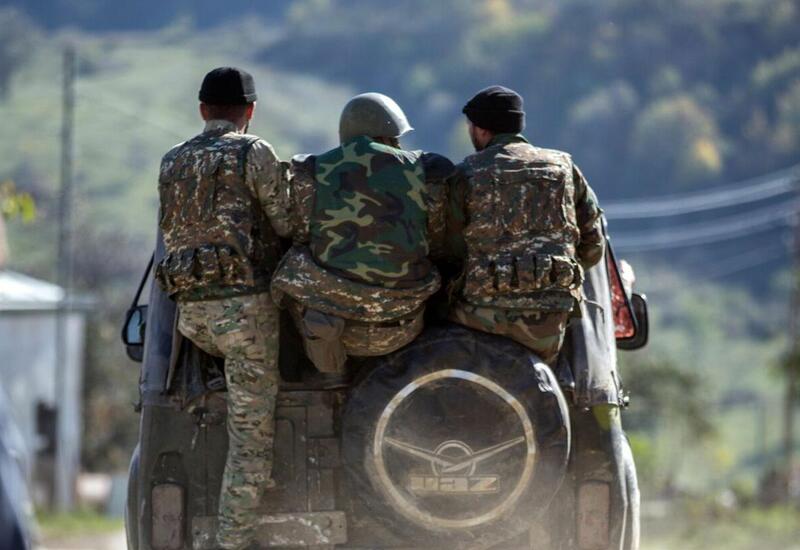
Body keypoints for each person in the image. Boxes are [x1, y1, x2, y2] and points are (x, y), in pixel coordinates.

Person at [154, 67, 290, 550]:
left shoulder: (172, 160)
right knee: (250, 441)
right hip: (245, 320)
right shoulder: (253, 151)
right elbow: (286, 220)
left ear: (202, 110)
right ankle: (234, 540)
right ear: (250, 111)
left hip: (192, 319)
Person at [271, 93, 453, 375]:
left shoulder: (313, 170)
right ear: (390, 134)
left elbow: (299, 234)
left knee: (289, 266)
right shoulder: (424, 170)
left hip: (338, 326)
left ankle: (316, 369)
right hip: (404, 324)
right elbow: (437, 240)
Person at [446, 85, 604, 366]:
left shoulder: (466, 173)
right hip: (549, 325)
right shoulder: (564, 167)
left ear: (481, 129)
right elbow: (593, 246)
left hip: (480, 320)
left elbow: (448, 249)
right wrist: (552, 274)